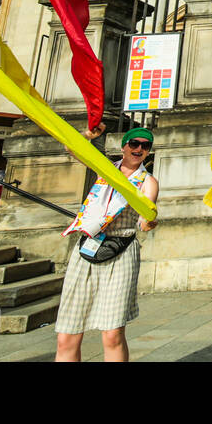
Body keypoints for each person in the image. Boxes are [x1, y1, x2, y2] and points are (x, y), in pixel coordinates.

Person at [55, 126, 159, 362]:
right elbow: (72, 149)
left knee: (112, 334)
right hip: (87, 248)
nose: (139, 149)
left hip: (121, 250)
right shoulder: (104, 169)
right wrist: (88, 136)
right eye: (134, 144)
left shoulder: (148, 181)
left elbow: (146, 216)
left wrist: (148, 222)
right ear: (123, 146)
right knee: (66, 335)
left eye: (145, 146)